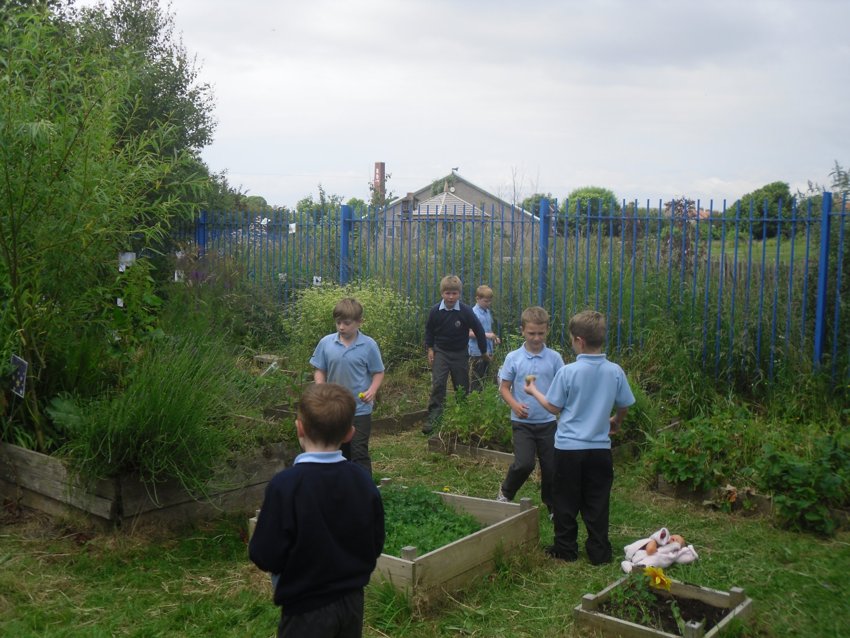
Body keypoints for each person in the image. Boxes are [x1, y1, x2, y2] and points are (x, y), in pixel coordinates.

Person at [249, 383, 385, 638]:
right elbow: (375, 542)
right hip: (352, 603)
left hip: (304, 610)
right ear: (350, 434)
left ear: (299, 428)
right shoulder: (362, 480)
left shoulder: (285, 485)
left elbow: (264, 554)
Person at [525, 309, 635, 565]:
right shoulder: (615, 371)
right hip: (599, 450)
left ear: (579, 341)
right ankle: (599, 551)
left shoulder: (569, 372)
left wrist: (533, 391)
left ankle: (565, 549)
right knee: (597, 499)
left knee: (564, 499)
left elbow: (553, 407)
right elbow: (624, 404)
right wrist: (616, 422)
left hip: (568, 449)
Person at [496, 306, 563, 515]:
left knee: (551, 467)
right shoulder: (514, 358)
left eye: (541, 333)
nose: (536, 338)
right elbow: (504, 387)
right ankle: (506, 492)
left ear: (547, 331)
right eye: (532, 333)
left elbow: (563, 386)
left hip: (548, 422)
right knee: (524, 464)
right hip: (522, 423)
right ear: (522, 330)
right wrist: (515, 405)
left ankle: (552, 506)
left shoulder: (554, 358)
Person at [310, 297, 385, 475]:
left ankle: (364, 491)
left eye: (347, 323)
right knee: (339, 452)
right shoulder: (326, 343)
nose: (341, 327)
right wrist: (320, 385)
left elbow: (378, 372)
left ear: (359, 322)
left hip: (360, 409)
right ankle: (341, 488)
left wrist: (372, 391)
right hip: (335, 408)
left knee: (359, 452)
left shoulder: (368, 345)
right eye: (338, 323)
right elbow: (319, 369)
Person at [422, 275, 489, 434]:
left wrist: (483, 351)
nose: (451, 297)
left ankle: (463, 417)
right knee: (438, 383)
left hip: (459, 353)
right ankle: (434, 417)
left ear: (459, 294)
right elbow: (429, 330)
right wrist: (430, 348)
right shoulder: (435, 311)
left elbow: (479, 330)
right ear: (441, 293)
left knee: (461, 386)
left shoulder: (465, 311)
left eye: (454, 293)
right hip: (441, 352)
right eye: (447, 293)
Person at [468, 284, 501, 391]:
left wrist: (494, 337)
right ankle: (475, 400)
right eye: (486, 301)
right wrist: (487, 336)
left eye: (490, 301)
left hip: (488, 349)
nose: (488, 304)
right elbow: (469, 333)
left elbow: (488, 329)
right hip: (477, 352)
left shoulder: (487, 312)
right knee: (476, 378)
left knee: (485, 376)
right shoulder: (473, 313)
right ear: (477, 299)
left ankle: (483, 399)